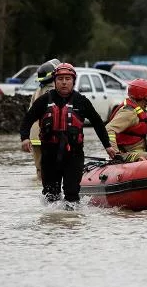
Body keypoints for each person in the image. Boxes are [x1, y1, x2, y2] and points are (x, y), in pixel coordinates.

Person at [19, 63, 117, 204]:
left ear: (73, 81)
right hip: (49, 155)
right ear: (54, 81)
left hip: (74, 156)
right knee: (50, 196)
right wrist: (24, 138)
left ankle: (71, 222)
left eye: (67, 79)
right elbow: (27, 120)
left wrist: (107, 145)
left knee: (72, 195)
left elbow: (98, 123)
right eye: (60, 79)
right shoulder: (44, 100)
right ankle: (51, 223)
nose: (64, 82)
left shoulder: (81, 101)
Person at [105, 78, 147, 162]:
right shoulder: (129, 113)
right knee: (145, 156)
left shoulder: (142, 109)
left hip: (139, 154)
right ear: (143, 96)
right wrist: (115, 153)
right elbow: (109, 129)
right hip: (124, 155)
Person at [28, 58, 61, 180]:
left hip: (34, 134)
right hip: (46, 133)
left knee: (40, 168)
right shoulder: (53, 90)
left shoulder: (38, 90)